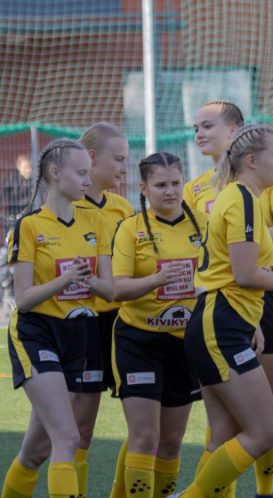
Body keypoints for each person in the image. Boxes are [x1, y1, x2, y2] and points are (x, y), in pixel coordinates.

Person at [173, 124, 273, 497]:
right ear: (251, 160)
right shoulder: (241, 199)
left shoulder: (242, 197)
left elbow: (233, 274)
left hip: (224, 321)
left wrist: (251, 322)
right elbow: (244, 274)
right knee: (263, 432)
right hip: (219, 324)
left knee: (224, 436)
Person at [2, 138, 115, 498]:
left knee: (35, 452)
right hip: (37, 332)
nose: (88, 180)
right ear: (54, 173)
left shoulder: (96, 220)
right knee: (67, 437)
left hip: (80, 334)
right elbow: (24, 299)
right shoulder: (29, 225)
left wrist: (89, 280)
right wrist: (65, 280)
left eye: (89, 172)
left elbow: (110, 291)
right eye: (81, 173)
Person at [110, 152, 206, 498]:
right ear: (143, 188)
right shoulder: (130, 229)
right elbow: (117, 289)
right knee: (145, 437)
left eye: (176, 183)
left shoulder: (204, 225)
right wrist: (156, 280)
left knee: (170, 442)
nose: (170, 191)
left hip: (186, 343)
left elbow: (223, 279)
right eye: (160, 184)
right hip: (140, 342)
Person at [73, 122, 133, 492]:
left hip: (126, 324)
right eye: (119, 159)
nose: (124, 167)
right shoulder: (64, 207)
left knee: (145, 426)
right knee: (81, 429)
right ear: (92, 158)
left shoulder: (123, 209)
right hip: (84, 326)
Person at [185, 100, 244, 215]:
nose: (199, 135)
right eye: (196, 129)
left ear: (232, 131)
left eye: (207, 126)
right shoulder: (191, 189)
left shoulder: (267, 177)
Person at [1, 154, 33, 233]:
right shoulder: (12, 178)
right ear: (19, 167)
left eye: (30, 167)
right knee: (10, 236)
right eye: (25, 168)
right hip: (12, 214)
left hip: (28, 214)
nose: (28, 170)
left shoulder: (34, 180)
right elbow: (2, 192)